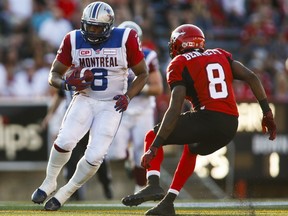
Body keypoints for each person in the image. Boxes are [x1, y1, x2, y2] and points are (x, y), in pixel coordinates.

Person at [121, 24, 277, 216]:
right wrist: (267, 113)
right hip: (230, 125)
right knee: (191, 148)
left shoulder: (179, 63)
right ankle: (168, 203)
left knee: (152, 134)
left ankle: (152, 184)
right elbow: (252, 77)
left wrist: (154, 146)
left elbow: (175, 107)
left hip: (207, 117)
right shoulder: (220, 54)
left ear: (179, 43)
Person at [31, 1, 148, 211]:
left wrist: (128, 96)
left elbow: (143, 73)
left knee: (95, 155)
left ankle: (66, 192)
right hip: (84, 97)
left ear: (108, 26)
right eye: (89, 26)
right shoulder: (73, 38)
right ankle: (49, 181)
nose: (92, 31)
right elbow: (54, 74)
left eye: (97, 27)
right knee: (65, 140)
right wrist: (66, 83)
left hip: (112, 103)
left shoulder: (125, 38)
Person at [107, 21, 163, 192]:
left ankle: (140, 187)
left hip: (142, 110)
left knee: (142, 151)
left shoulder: (148, 55)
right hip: (120, 110)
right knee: (115, 153)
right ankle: (128, 158)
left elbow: (158, 88)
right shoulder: (111, 55)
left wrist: (139, 88)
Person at [41, 88, 113, 200]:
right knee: (71, 162)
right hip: (74, 126)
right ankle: (74, 196)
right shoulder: (69, 77)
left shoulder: (90, 74)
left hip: (91, 125)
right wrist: (50, 114)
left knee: (96, 158)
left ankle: (106, 185)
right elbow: (60, 94)